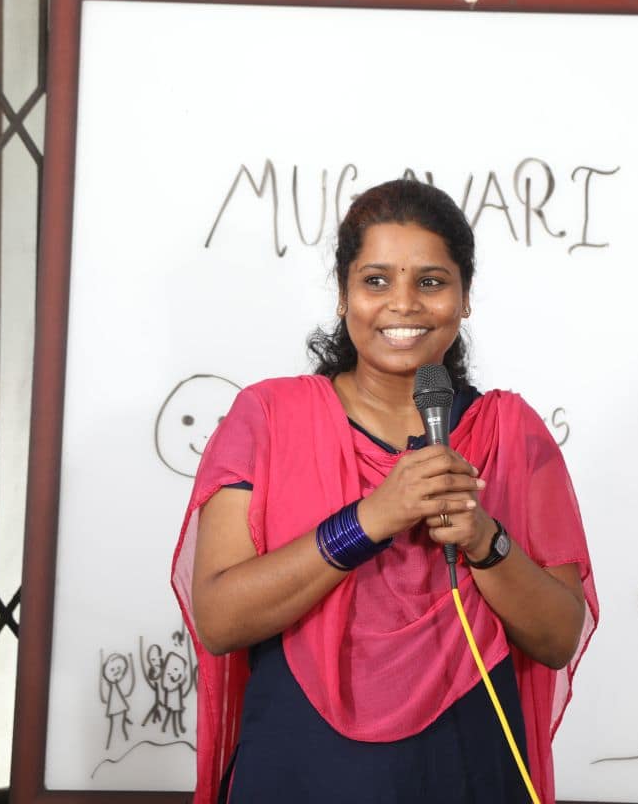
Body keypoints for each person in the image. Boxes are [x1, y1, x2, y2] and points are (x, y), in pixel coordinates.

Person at [171, 179, 598, 803]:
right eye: (376, 281)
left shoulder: (511, 431)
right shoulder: (269, 418)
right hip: (300, 767)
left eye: (431, 281)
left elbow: (559, 638)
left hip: (467, 764)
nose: (403, 304)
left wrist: (484, 540)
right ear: (343, 295)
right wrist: (370, 519)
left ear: (465, 297)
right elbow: (218, 618)